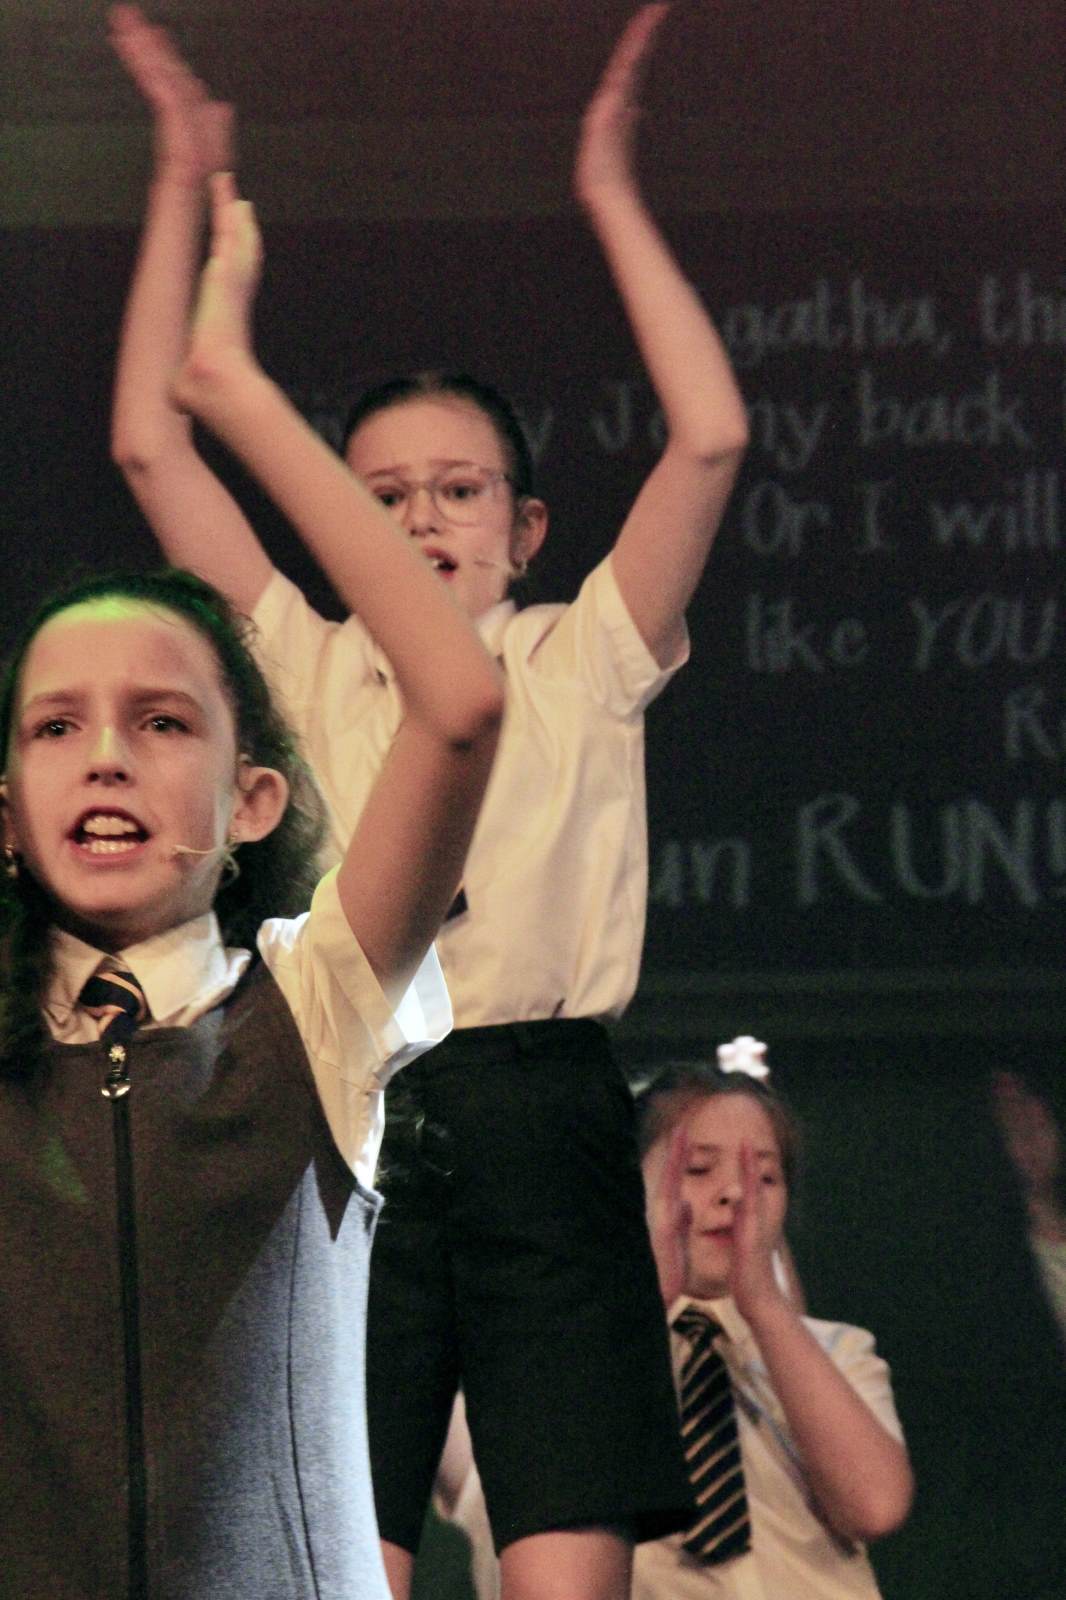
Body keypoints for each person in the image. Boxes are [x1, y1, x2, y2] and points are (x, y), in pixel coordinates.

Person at [108, 5, 750, 1596]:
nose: (421, 521)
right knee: (345, 1557)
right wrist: (182, 180)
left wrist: (607, 189)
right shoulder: (304, 659)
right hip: (350, 1111)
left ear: (524, 527)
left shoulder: (578, 653)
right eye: (379, 496)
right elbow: (149, 444)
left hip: (547, 1116)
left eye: (458, 491)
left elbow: (711, 436)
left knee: (564, 1567)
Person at [0, 173, 502, 1600]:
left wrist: (237, 395)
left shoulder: (312, 1008)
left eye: (164, 722)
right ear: (8, 814)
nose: (107, 756)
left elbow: (458, 701)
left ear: (252, 803)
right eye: (56, 727)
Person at [438, 1045, 915, 1599]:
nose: (734, 1193)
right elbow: (535, 1495)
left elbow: (875, 1506)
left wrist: (764, 1304)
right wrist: (649, 1300)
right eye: (698, 1169)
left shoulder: (831, 1350)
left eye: (765, 1177)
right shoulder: (543, 1346)